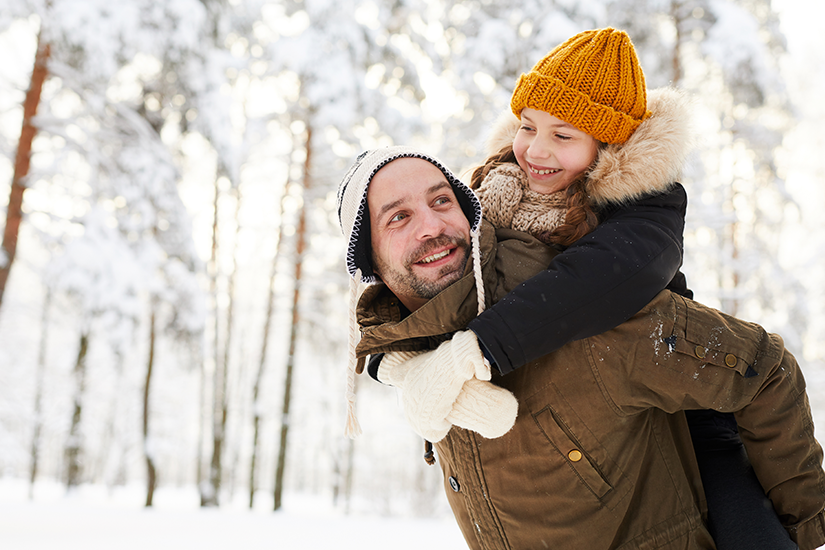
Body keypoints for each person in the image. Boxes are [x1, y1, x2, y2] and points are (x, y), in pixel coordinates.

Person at [350, 27, 789, 550]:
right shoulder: (499, 190)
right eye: (528, 126)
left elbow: (587, 285)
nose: (536, 149)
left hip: (689, 408)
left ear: (605, 147)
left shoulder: (644, 213)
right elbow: (439, 284)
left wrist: (475, 350)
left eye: (563, 135)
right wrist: (396, 364)